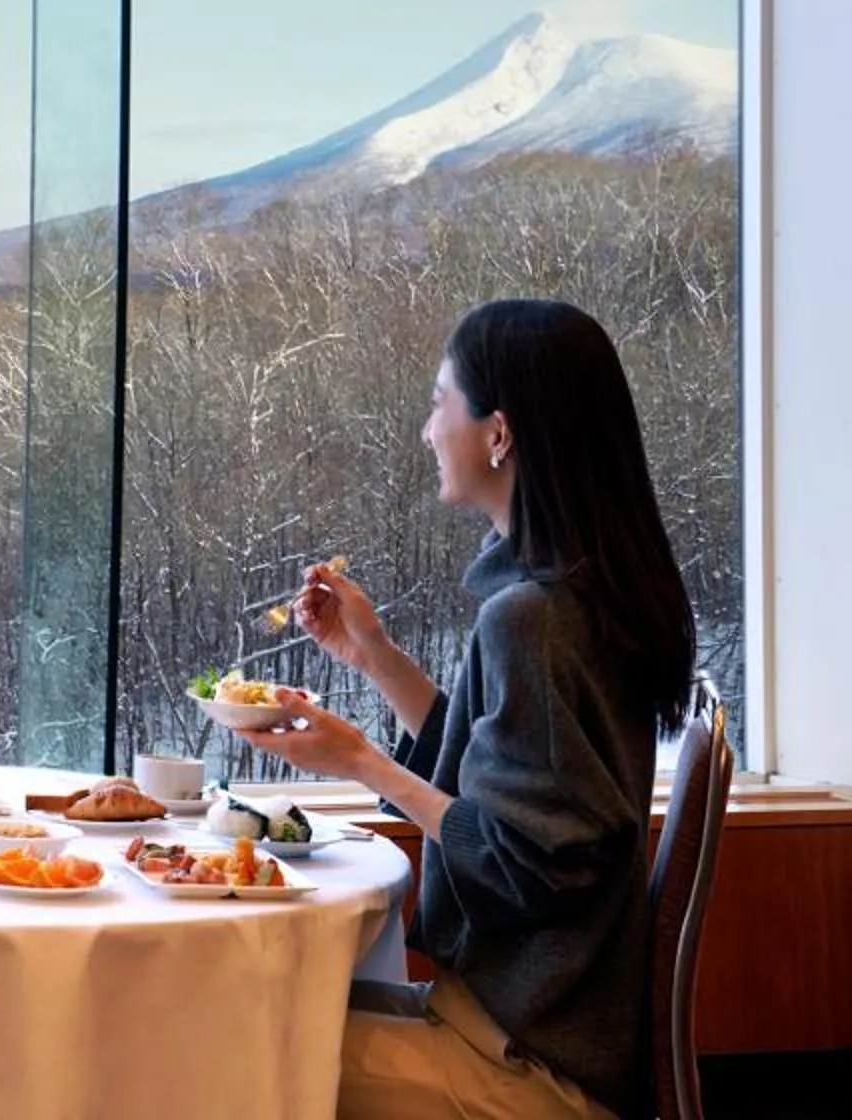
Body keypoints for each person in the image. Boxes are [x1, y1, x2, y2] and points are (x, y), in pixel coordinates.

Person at [241, 299, 696, 1120]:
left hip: (531, 1070)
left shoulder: (535, 619)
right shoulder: (569, 598)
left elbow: (527, 862)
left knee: (217, 1048)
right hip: (517, 1033)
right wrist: (374, 656)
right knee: (245, 1013)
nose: (427, 431)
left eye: (438, 403)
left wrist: (360, 762)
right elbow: (509, 775)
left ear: (499, 433)